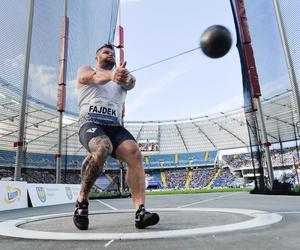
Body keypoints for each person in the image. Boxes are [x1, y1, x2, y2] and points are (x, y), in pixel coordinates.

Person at [73, 44, 159, 230]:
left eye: (112, 53)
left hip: (115, 126)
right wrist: (112, 75)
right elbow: (92, 77)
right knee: (103, 147)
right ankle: (82, 201)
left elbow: (131, 83)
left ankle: (140, 212)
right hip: (91, 122)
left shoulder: (121, 77)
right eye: (106, 52)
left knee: (134, 153)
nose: (110, 54)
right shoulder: (87, 70)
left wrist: (126, 78)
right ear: (97, 58)